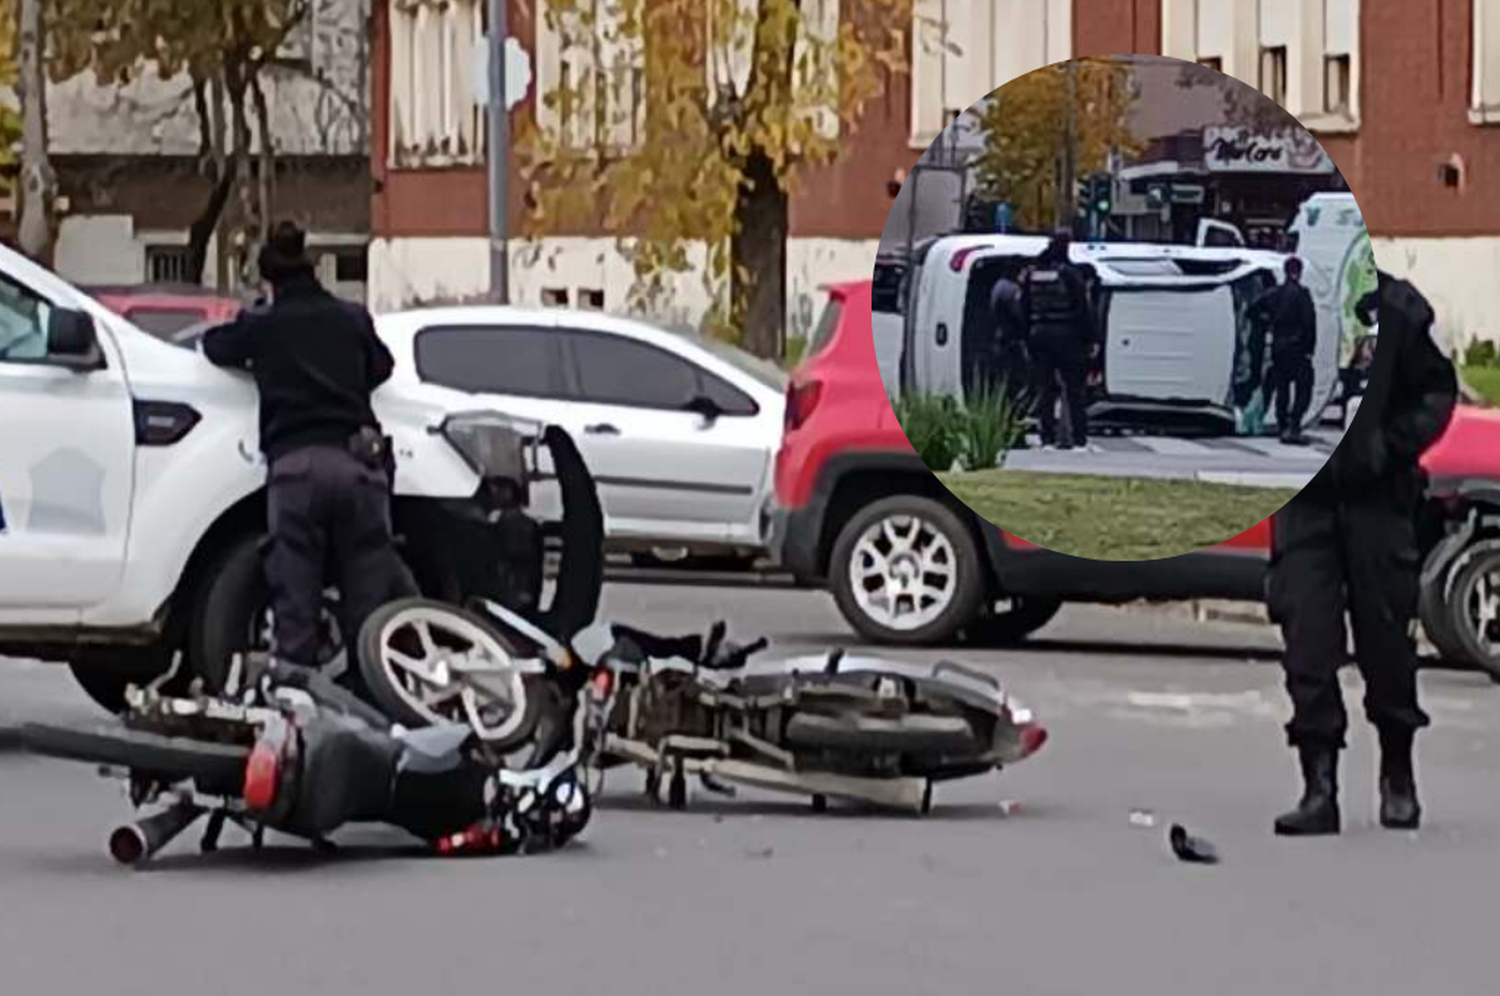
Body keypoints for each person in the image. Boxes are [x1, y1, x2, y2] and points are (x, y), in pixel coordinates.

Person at [1266, 271, 1458, 836]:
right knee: (1307, 641)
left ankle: (1398, 773)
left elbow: (1436, 392)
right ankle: (1318, 786)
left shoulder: (1398, 308)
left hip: (1378, 503)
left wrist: (1388, 446)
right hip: (1305, 504)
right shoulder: (1287, 295)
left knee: (1385, 642)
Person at [201, 221, 418, 687]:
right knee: (370, 601)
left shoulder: (264, 325)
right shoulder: (351, 317)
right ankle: (372, 703)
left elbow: (214, 347)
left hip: (296, 470)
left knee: (295, 600)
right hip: (359, 465)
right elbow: (382, 366)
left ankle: (298, 703)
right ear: (313, 269)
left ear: (269, 279)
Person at [1020, 232, 1096, 450]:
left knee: (1045, 390)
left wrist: (1027, 337)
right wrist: (1091, 339)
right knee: (1074, 390)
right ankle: (1079, 439)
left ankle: (1047, 439)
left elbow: (1024, 308)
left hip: (1039, 336)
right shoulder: (1070, 274)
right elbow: (1083, 310)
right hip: (1067, 337)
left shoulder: (1033, 275)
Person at [1249, 258, 1318, 445]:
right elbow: (1309, 323)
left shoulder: (1274, 294)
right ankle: (1294, 423)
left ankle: (1282, 424)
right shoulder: (1303, 295)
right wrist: (1309, 348)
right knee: (1304, 387)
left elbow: (1253, 310)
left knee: (1282, 388)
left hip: (1279, 347)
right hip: (1298, 348)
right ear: (1299, 272)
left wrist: (1268, 322)